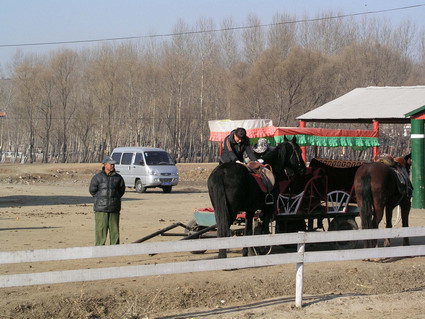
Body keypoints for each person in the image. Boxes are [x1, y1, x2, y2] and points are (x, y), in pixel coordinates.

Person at [89, 155, 126, 245]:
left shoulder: (119, 178)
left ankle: (115, 248)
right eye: (111, 164)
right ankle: (99, 248)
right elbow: (92, 190)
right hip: (101, 209)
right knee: (101, 230)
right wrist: (101, 200)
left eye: (114, 164)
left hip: (114, 208)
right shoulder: (97, 177)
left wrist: (114, 199)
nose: (113, 166)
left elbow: (121, 191)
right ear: (105, 164)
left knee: (114, 231)